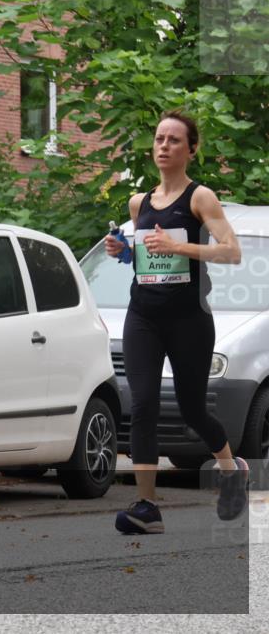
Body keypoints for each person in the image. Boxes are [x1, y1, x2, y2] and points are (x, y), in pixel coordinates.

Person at [105, 110, 247, 534]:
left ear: (191, 149)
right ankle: (147, 507)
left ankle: (229, 468)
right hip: (143, 314)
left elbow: (231, 251)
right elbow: (148, 258)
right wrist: (123, 251)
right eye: (159, 139)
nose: (163, 146)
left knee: (190, 406)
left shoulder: (200, 198)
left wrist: (178, 247)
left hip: (189, 317)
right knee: (143, 402)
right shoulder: (139, 203)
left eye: (173, 140)